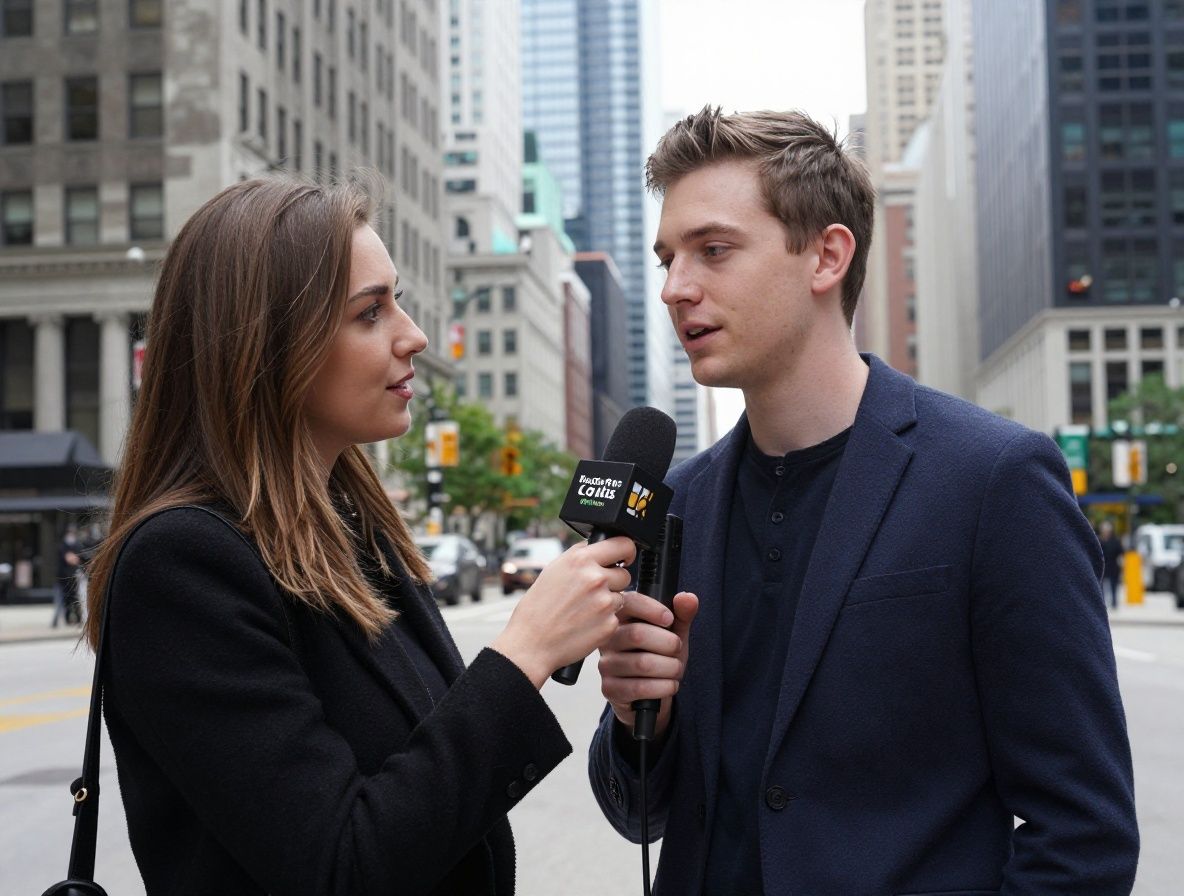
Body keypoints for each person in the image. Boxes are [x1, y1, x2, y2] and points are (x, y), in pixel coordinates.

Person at [588, 108, 1139, 894]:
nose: (676, 288)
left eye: (713, 251)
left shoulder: (994, 481)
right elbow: (638, 812)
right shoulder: (676, 501)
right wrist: (650, 718)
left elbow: (1085, 833)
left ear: (827, 256)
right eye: (667, 258)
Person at [83, 176, 637, 895]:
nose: (415, 335)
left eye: (396, 299)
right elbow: (342, 869)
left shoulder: (357, 534)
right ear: (270, 345)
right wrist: (524, 653)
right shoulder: (182, 565)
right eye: (370, 312)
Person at [51, 526, 82, 627]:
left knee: (75, 599)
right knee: (63, 601)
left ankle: (78, 619)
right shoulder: (62, 546)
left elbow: (77, 559)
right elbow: (70, 559)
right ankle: (64, 620)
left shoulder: (77, 545)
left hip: (74, 577)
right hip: (63, 578)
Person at [1098, 520, 1124, 609]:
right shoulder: (1099, 541)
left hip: (1113, 566)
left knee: (1114, 585)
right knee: (1101, 586)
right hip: (1103, 566)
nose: (1105, 532)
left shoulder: (1115, 541)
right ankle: (1102, 602)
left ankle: (1114, 602)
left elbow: (1121, 552)